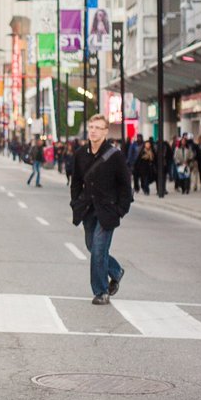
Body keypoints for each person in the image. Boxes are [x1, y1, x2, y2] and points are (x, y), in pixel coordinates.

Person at [70, 114, 133, 306]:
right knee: (92, 246)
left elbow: (125, 185)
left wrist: (120, 209)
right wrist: (75, 203)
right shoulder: (80, 154)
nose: (93, 131)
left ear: (105, 131)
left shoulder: (115, 155)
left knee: (98, 249)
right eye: (91, 127)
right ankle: (115, 271)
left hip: (107, 211)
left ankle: (101, 291)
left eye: (98, 128)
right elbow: (76, 182)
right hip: (87, 209)